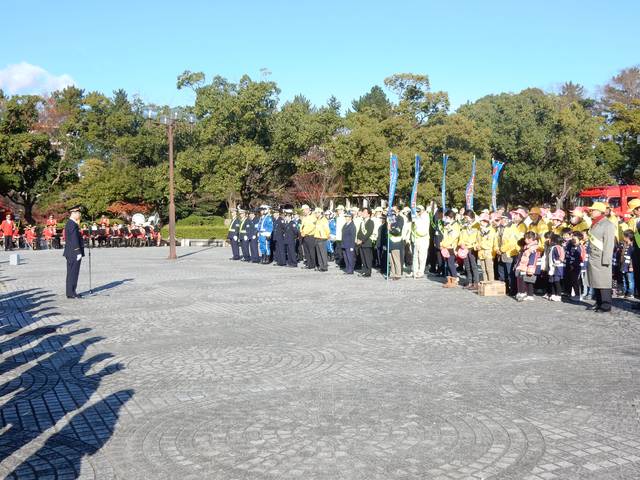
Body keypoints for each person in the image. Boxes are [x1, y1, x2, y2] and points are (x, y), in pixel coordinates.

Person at [586, 202, 616, 312]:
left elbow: (609, 244)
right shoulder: (594, 223)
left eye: (593, 210)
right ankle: (598, 302)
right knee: (596, 281)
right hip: (594, 256)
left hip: (601, 256)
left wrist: (606, 259)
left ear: (599, 211)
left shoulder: (608, 225)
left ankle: (606, 304)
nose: (591, 212)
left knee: (604, 282)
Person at [63, 207, 85, 299]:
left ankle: (70, 291)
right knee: (73, 273)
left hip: (71, 252)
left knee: (71, 272)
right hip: (73, 252)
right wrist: (78, 251)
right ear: (74, 213)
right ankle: (71, 292)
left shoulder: (71, 223)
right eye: (78, 213)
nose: (79, 215)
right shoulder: (72, 224)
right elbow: (73, 239)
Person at [515, 231, 540, 302]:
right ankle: (529, 294)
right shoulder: (527, 247)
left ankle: (524, 293)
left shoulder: (533, 248)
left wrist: (530, 267)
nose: (525, 240)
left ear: (531, 239)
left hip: (528, 267)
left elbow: (533, 258)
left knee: (527, 281)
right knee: (527, 280)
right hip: (524, 266)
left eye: (526, 238)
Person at [458, 209, 480, 290]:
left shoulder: (477, 225)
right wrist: (461, 243)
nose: (465, 219)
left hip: (472, 248)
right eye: (465, 217)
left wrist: (474, 245)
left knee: (473, 266)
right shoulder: (464, 225)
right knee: (467, 266)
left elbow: (479, 238)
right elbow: (461, 236)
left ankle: (476, 282)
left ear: (471, 216)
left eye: (466, 217)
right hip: (464, 248)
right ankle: (469, 282)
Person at [441, 210, 461, 287]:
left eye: (446, 217)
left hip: (452, 247)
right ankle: (449, 280)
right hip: (446, 246)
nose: (445, 218)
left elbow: (453, 237)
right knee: (447, 264)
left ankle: (455, 279)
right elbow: (445, 236)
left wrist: (445, 244)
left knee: (451, 264)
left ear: (451, 217)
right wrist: (442, 244)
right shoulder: (447, 225)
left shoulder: (456, 225)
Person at [410, 205, 430, 278]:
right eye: (417, 211)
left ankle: (421, 271)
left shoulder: (426, 217)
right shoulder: (416, 217)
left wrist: (417, 218)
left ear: (422, 210)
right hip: (416, 239)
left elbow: (422, 229)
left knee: (422, 257)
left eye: (419, 211)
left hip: (423, 240)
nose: (417, 212)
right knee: (415, 256)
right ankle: (415, 271)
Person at [477, 213, 497, 282]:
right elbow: (477, 240)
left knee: (489, 270)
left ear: (486, 221)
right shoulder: (480, 230)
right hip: (481, 252)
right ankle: (485, 283)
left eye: (482, 221)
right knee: (483, 270)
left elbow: (490, 243)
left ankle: (491, 284)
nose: (480, 223)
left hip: (488, 253)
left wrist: (481, 246)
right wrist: (476, 246)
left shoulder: (491, 230)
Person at [387, 206, 405, 280]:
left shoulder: (400, 218)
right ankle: (392, 273)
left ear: (397, 210)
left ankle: (398, 274)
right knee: (391, 259)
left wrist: (390, 229)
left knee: (396, 259)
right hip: (390, 240)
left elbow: (398, 230)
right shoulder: (391, 218)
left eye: (394, 209)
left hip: (396, 241)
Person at [357, 207, 375, 277]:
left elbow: (369, 233)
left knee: (367, 258)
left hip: (367, 242)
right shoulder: (362, 222)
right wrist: (358, 239)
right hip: (361, 243)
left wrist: (362, 240)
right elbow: (359, 232)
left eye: (365, 212)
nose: (363, 213)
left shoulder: (371, 222)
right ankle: (364, 270)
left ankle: (368, 272)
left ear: (369, 214)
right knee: (363, 258)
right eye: (363, 212)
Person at [547, 234, 565, 302]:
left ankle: (559, 295)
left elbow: (561, 256)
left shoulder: (557, 247)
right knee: (552, 281)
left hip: (557, 266)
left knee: (556, 281)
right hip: (553, 266)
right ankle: (553, 294)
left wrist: (558, 261)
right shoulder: (553, 247)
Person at [299, 204, 317, 269]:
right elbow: (302, 226)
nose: (303, 211)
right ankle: (309, 264)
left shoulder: (313, 216)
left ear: (307, 209)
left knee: (311, 251)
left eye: (303, 210)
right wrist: (301, 231)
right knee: (306, 251)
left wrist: (305, 233)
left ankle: (313, 264)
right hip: (304, 236)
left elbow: (312, 227)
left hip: (310, 236)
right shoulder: (305, 217)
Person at [621, 229, 635, 298]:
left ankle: (631, 293)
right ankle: (625, 291)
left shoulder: (632, 246)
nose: (623, 238)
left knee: (630, 280)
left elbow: (632, 257)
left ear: (628, 237)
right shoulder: (625, 245)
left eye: (624, 236)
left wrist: (631, 266)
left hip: (629, 266)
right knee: (624, 279)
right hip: (624, 265)